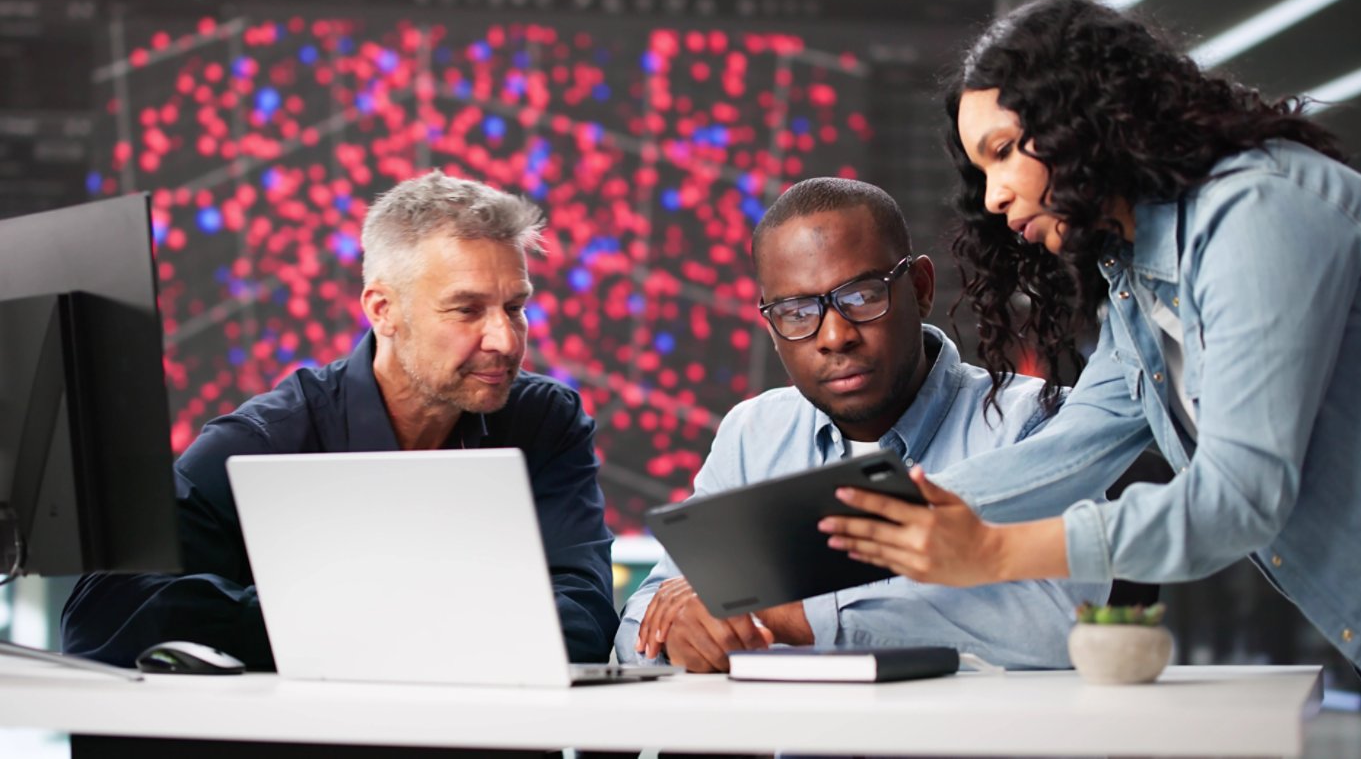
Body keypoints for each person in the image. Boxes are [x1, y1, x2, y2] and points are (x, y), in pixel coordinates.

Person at [818, 0, 1361, 755]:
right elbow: (1063, 456)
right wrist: (838, 540)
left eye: (1002, 152)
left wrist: (990, 554)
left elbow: (1236, 499)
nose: (992, 198)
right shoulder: (1137, 279)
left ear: (1082, 117)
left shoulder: (1259, 208)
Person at [61, 171, 618, 669]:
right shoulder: (268, 438)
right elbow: (104, 611)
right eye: (467, 310)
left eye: (515, 307)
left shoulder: (545, 419)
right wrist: (391, 623)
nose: (505, 338)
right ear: (382, 310)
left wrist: (349, 624)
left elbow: (584, 619)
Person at [616, 177, 1107, 672]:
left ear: (920, 289)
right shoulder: (754, 434)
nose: (834, 336)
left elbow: (1067, 623)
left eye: (861, 296)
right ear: (771, 325)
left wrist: (801, 617)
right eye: (797, 311)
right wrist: (677, 629)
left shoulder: (1035, 423)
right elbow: (648, 613)